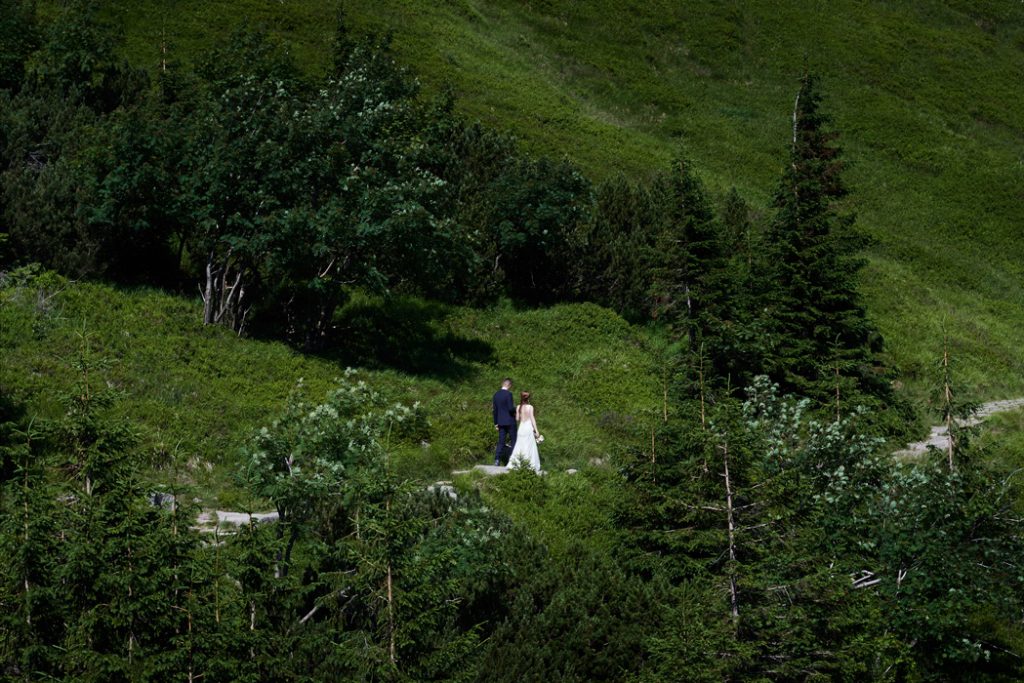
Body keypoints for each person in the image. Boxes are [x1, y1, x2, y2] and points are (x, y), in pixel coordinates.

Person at [507, 391, 541, 472]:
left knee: (519, 445)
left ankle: (517, 464)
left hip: (521, 428)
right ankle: (528, 464)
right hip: (528, 428)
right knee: (529, 446)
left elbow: (517, 419)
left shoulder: (518, 407)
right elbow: (532, 419)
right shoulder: (530, 407)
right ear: (528, 398)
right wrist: (536, 430)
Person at [492, 378, 516, 466]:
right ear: (509, 385)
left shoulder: (496, 395)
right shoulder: (509, 394)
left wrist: (495, 423)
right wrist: (516, 409)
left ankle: (497, 459)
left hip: (501, 422)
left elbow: (494, 410)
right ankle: (513, 460)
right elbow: (510, 408)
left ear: (503, 384)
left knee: (501, 441)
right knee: (513, 440)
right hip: (510, 421)